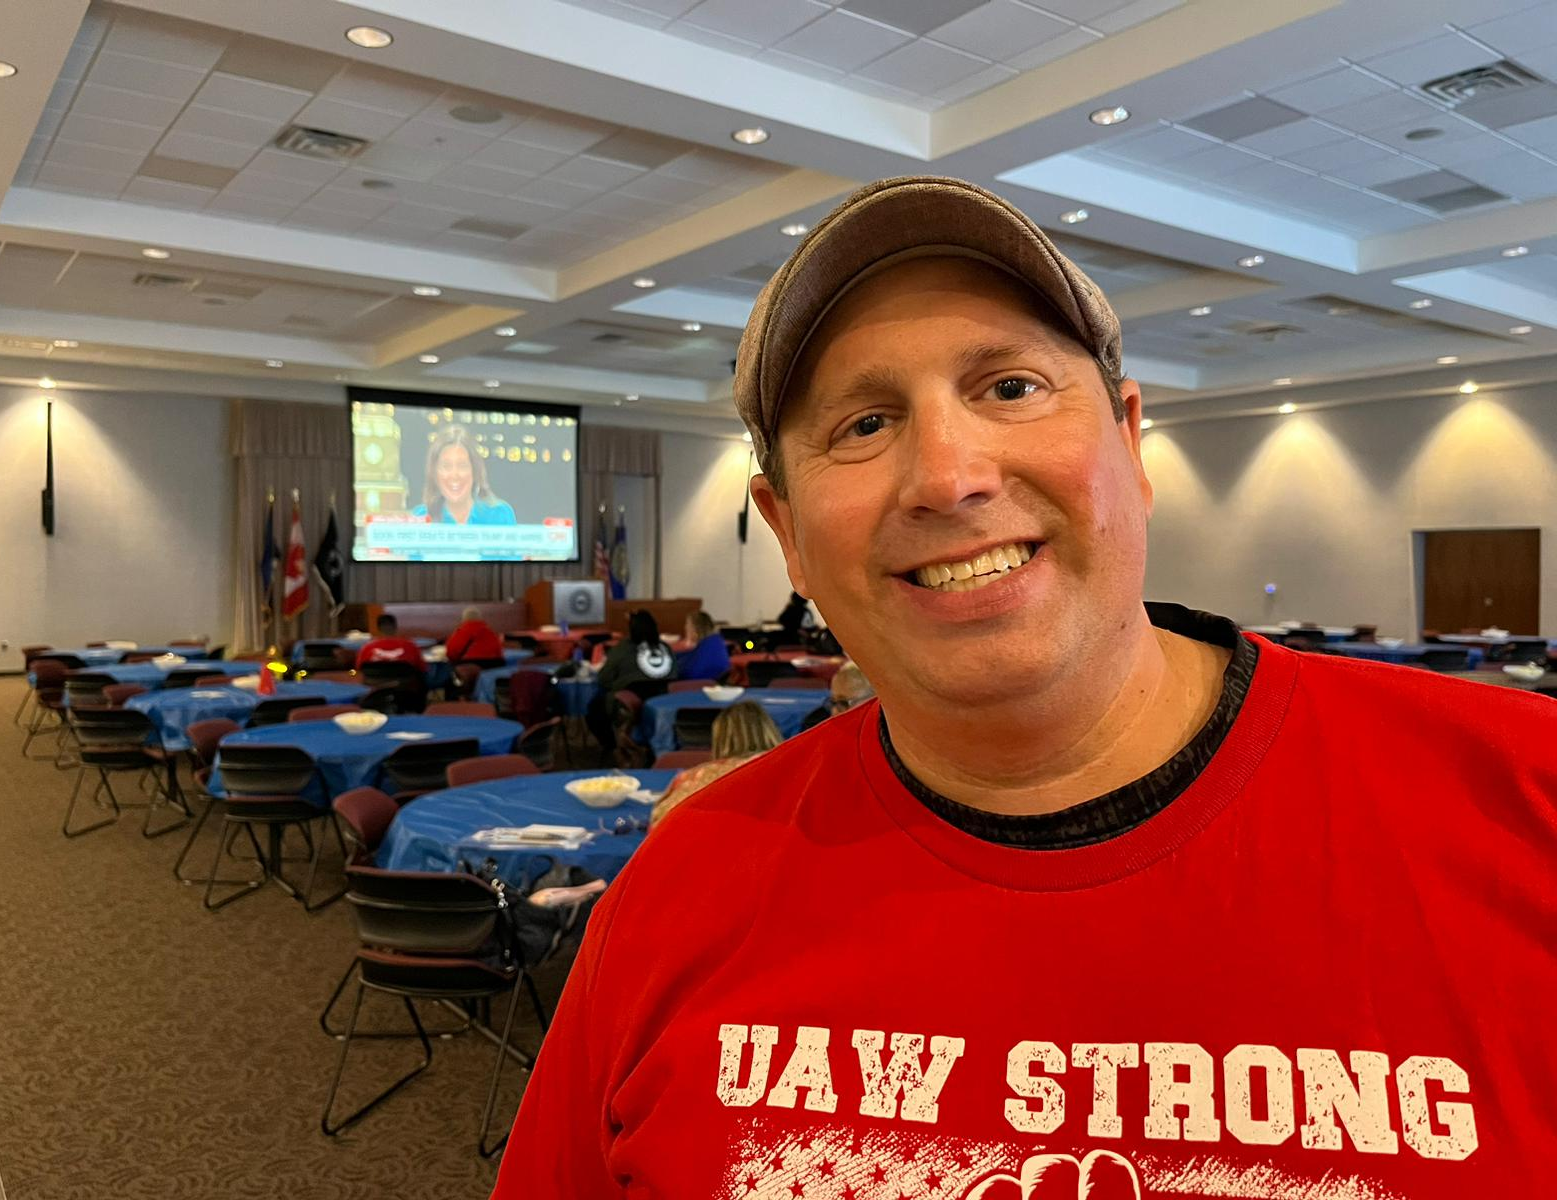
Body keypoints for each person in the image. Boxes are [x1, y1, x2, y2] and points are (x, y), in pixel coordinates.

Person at [491, 177, 1556, 1196]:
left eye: (1009, 386)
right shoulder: (681, 888)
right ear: (787, 538)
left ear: (1130, 445)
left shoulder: (1523, 796)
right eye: (863, 424)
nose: (949, 475)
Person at [649, 701, 781, 827]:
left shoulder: (695, 778)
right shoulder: (792, 772)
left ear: (718, 738)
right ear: (771, 731)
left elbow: (660, 822)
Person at [584, 610, 678, 752]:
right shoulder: (666, 648)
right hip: (666, 705)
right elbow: (675, 674)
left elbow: (604, 678)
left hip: (630, 705)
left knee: (594, 708)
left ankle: (612, 747)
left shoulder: (623, 648)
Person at [412, 424, 516, 525]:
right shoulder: (420, 518)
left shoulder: (499, 515)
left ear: (474, 470)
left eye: (462, 466)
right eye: (446, 466)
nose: (454, 475)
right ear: (434, 473)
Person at [353, 613, 425, 673]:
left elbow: (358, 670)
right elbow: (423, 669)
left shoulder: (366, 648)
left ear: (378, 629)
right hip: (406, 687)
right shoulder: (411, 646)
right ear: (395, 627)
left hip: (375, 686)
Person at [674, 610, 730, 682]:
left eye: (687, 625)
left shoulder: (706, 648)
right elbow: (689, 655)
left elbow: (689, 672)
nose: (685, 628)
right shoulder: (715, 643)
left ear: (695, 630)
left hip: (693, 687)